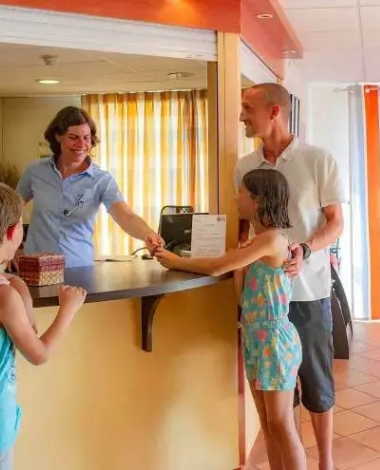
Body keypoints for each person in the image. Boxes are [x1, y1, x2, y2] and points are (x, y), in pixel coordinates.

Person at [156, 169, 306, 470]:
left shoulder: (272, 239)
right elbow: (241, 298)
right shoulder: (258, 242)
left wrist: (176, 261)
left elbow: (215, 267)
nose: (236, 198)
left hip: (274, 341)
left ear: (257, 200)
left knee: (281, 423)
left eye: (241, 192)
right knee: (268, 423)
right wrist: (240, 263)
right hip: (255, 337)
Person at [234, 83, 345, 470]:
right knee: (280, 397)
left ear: (274, 111)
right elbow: (244, 229)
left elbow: (336, 224)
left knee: (316, 384)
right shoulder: (244, 167)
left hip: (308, 291)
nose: (242, 116)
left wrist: (306, 249)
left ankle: (326, 463)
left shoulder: (318, 159)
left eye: (248, 108)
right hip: (265, 302)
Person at [0, 183, 87, 469]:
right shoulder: (4, 297)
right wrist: (68, 309)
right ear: (12, 232)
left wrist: (19, 285)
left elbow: (10, 284)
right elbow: (39, 353)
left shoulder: (8, 290)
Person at [16, 106, 163, 268]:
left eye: (86, 138)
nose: (81, 144)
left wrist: (148, 234)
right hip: (36, 268)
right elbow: (11, 213)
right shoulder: (35, 171)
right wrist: (9, 250)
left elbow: (126, 216)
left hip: (78, 268)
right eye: (73, 137)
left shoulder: (101, 180)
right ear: (58, 136)